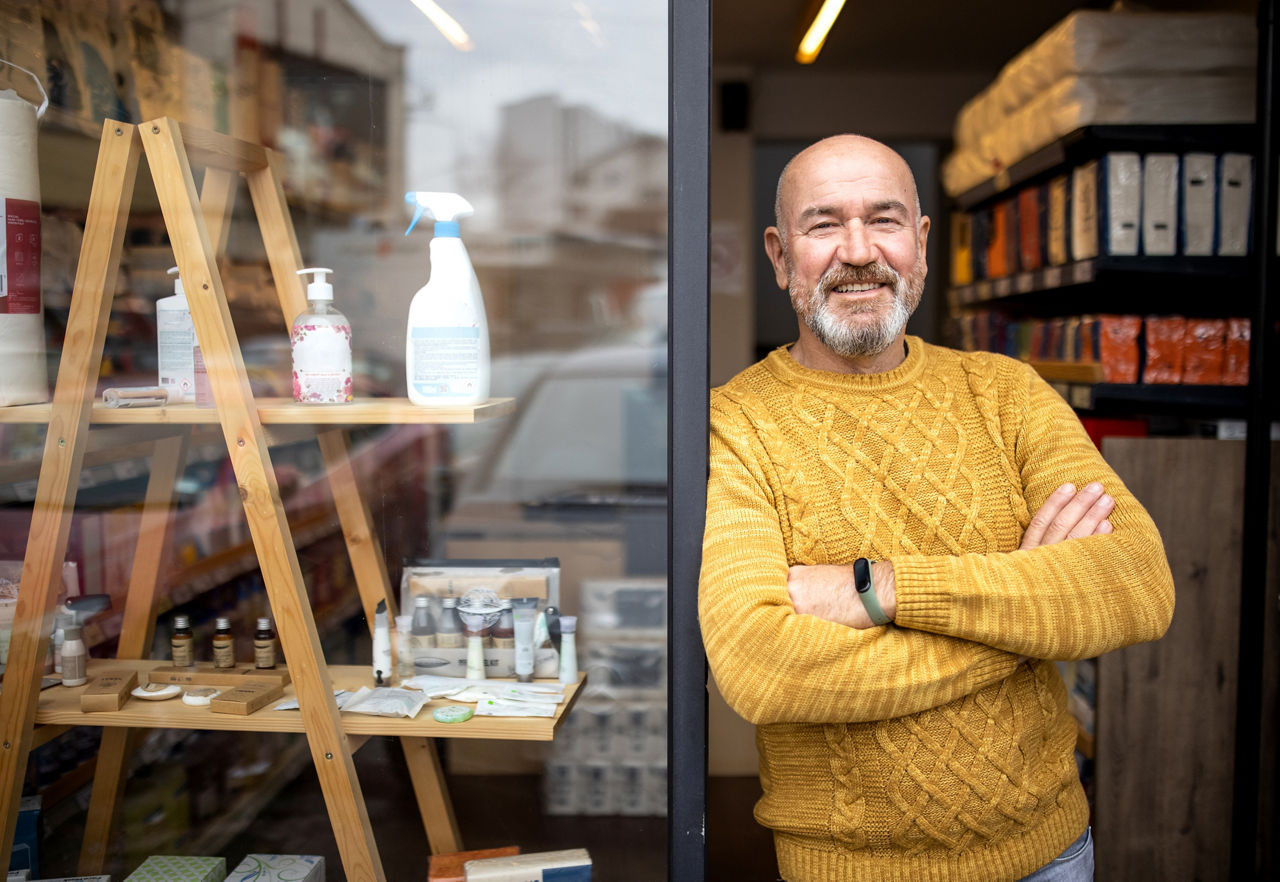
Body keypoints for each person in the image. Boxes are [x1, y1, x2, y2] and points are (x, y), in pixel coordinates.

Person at [698, 134, 1175, 882]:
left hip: (1052, 854)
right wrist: (1028, 609)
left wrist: (878, 589)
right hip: (852, 871)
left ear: (920, 243)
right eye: (823, 225)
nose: (859, 251)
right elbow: (762, 666)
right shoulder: (735, 423)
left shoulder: (1008, 394)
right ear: (780, 253)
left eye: (884, 220)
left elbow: (1137, 584)